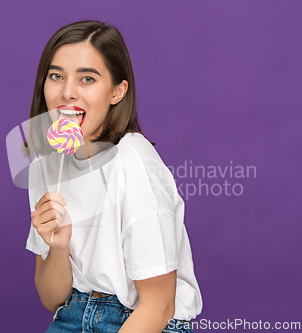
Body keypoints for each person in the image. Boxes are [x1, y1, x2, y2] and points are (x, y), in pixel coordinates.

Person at [24, 20, 202, 332]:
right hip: (72, 314)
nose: (67, 92)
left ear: (117, 92)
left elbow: (158, 307)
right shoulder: (46, 166)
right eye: (56, 76)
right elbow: (52, 299)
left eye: (87, 79)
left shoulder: (134, 162)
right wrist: (59, 246)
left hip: (144, 320)